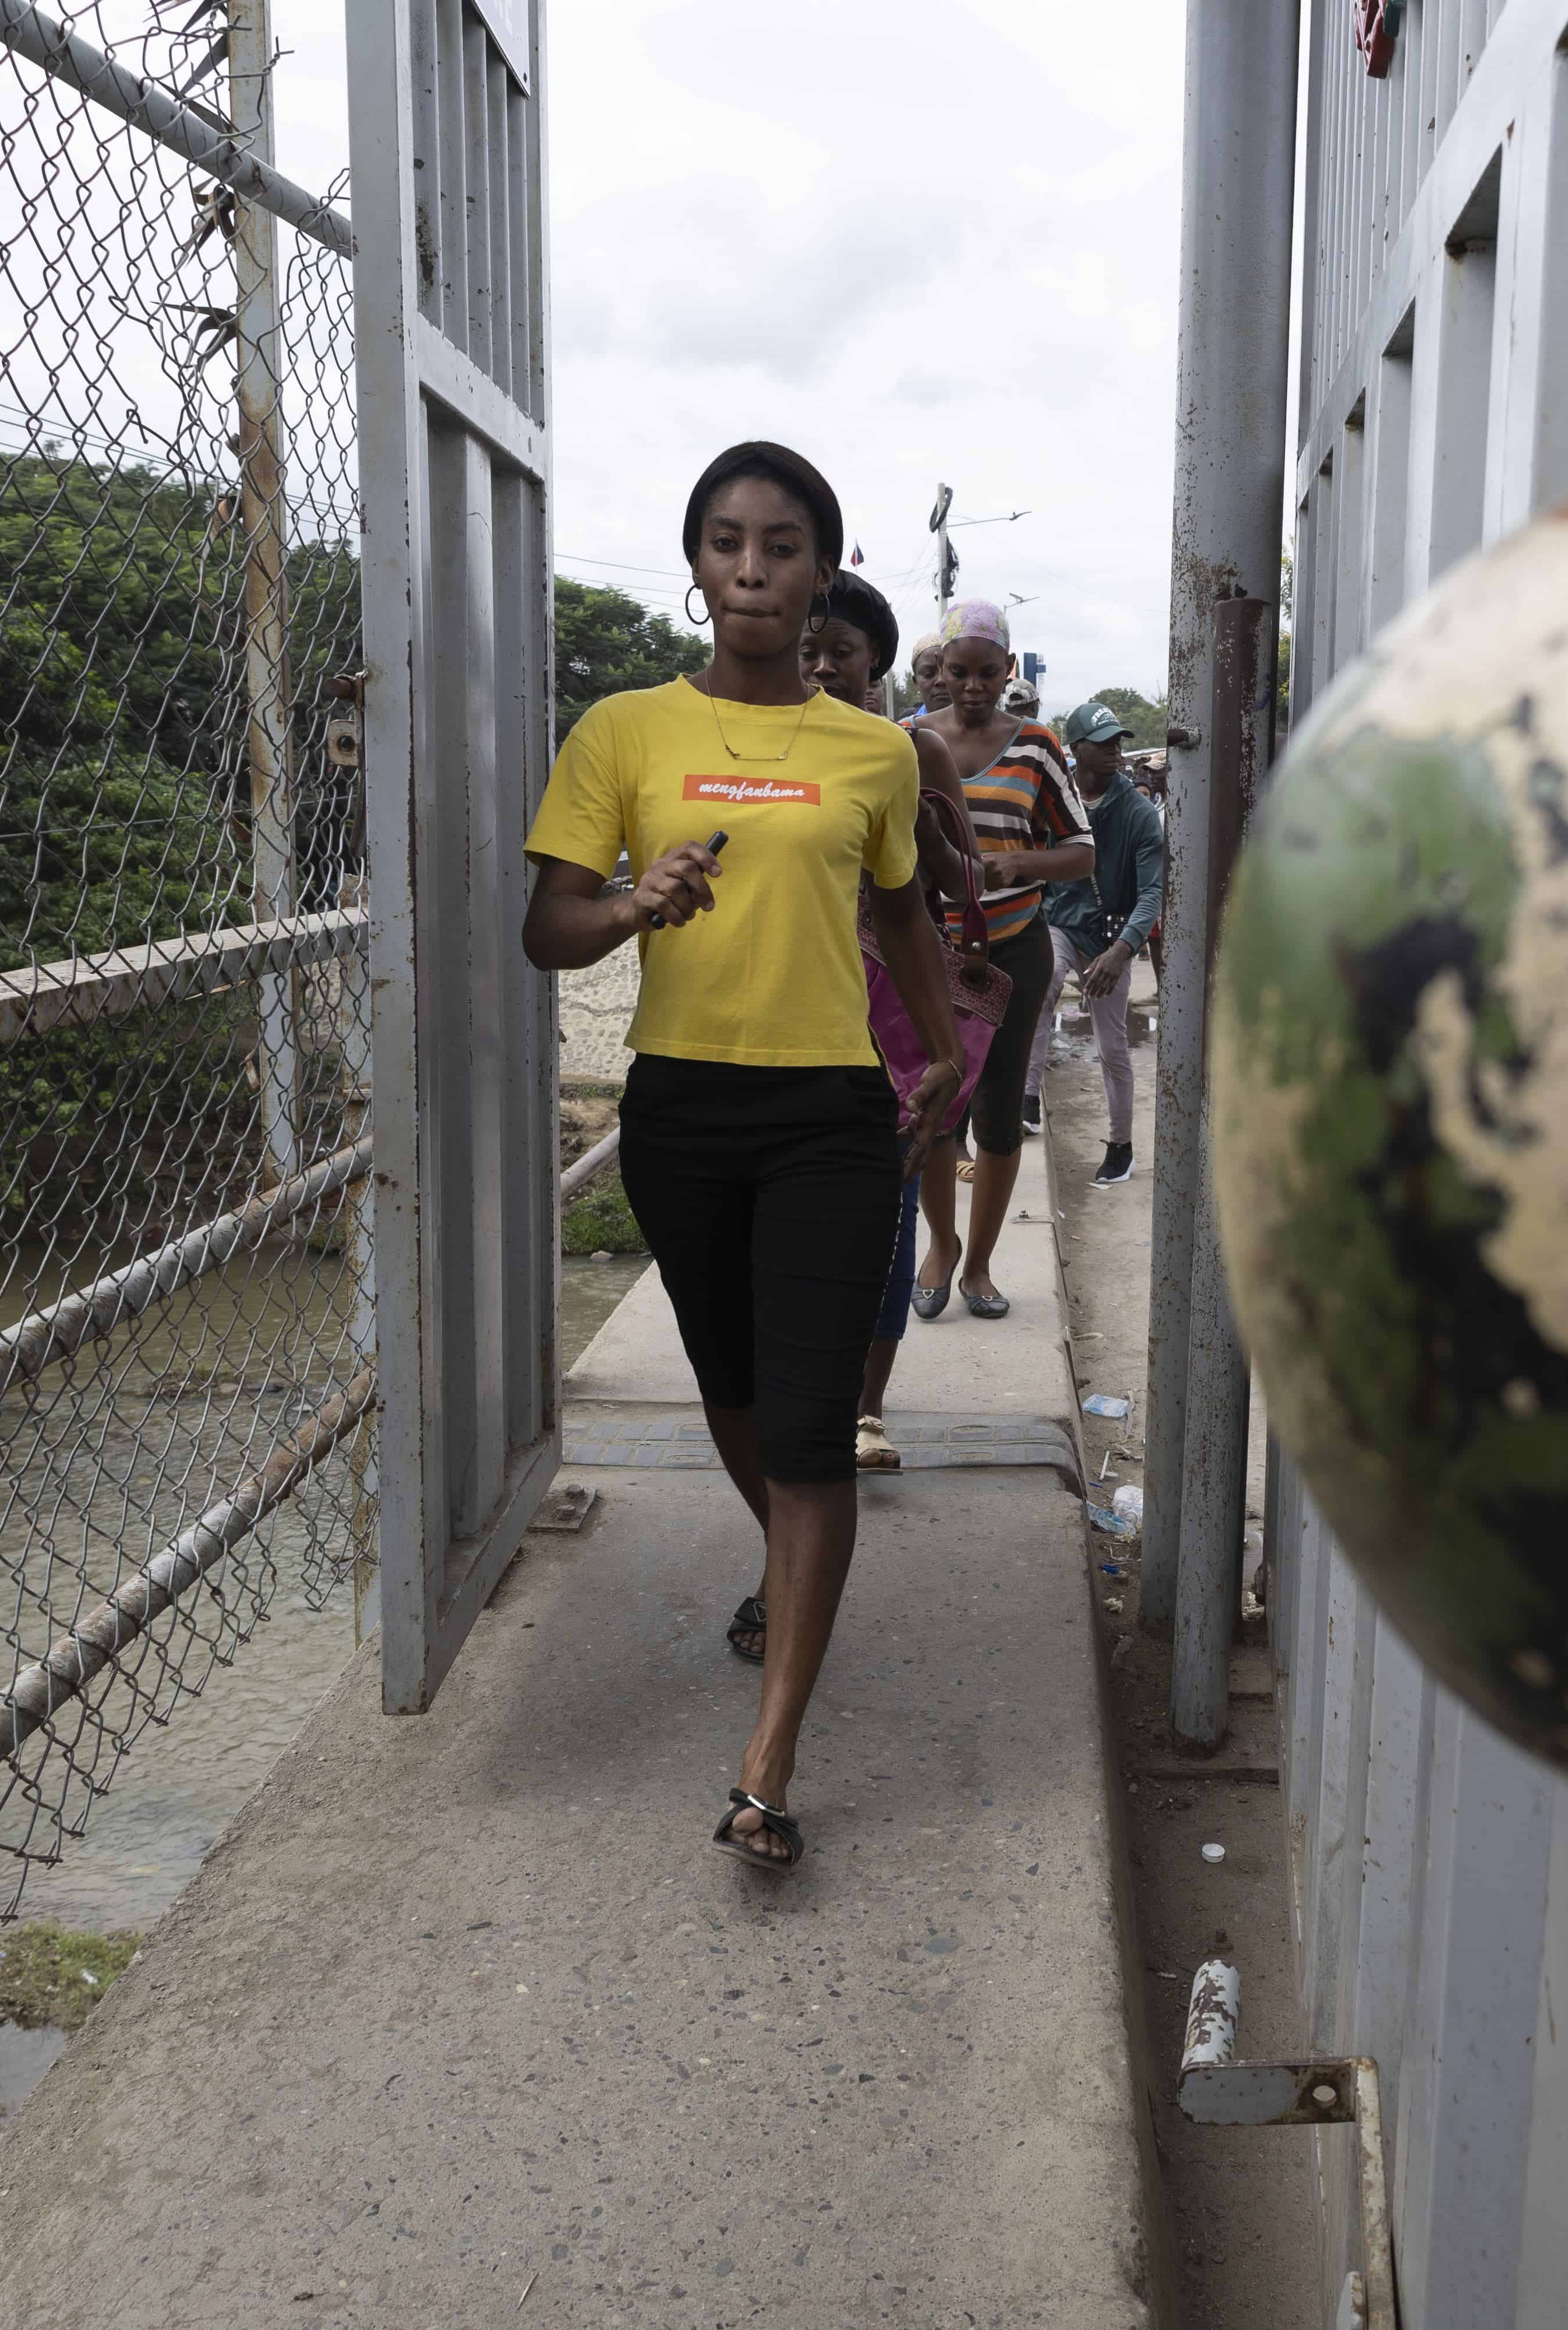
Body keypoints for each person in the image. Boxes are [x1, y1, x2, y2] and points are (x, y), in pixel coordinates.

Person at [519, 442, 965, 1874]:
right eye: (727, 543)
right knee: (737, 1397)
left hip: (831, 1111)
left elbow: (900, 907)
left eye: (782, 545)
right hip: (687, 1114)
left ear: (822, 568)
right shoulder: (623, 733)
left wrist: (943, 1042)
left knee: (814, 1421)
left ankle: (769, 1764)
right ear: (699, 565)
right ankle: (785, 1571)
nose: (754, 569)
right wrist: (639, 899)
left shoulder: (877, 752)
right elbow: (551, 928)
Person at [799, 570, 979, 1474]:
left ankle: (866, 1412)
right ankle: (801, 1396)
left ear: (876, 667)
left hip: (892, 1024)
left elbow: (959, 884)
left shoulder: (914, 751)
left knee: (886, 1217)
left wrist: (913, 816)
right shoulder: (768, 748)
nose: (825, 669)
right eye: (811, 652)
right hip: (793, 1012)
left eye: (843, 655)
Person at [913, 601, 1092, 1323]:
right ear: (938, 672)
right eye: (959, 671)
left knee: (997, 1112)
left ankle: (980, 1264)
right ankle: (941, 1246)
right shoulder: (909, 742)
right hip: (924, 951)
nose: (974, 685)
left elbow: (1081, 852)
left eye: (989, 672)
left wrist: (1003, 870)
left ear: (1008, 669)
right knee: (929, 1109)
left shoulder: (1038, 747)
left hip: (1012, 952)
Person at [1020, 700, 1160, 1184]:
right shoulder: (1053, 800)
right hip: (1060, 922)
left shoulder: (1139, 813)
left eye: (1119, 742)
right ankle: (1029, 1097)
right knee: (1044, 984)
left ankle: (1121, 1146)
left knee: (1112, 1046)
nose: (1116, 752)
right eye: (1104, 745)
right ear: (1076, 750)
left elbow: (1153, 894)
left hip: (1111, 937)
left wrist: (1122, 953)